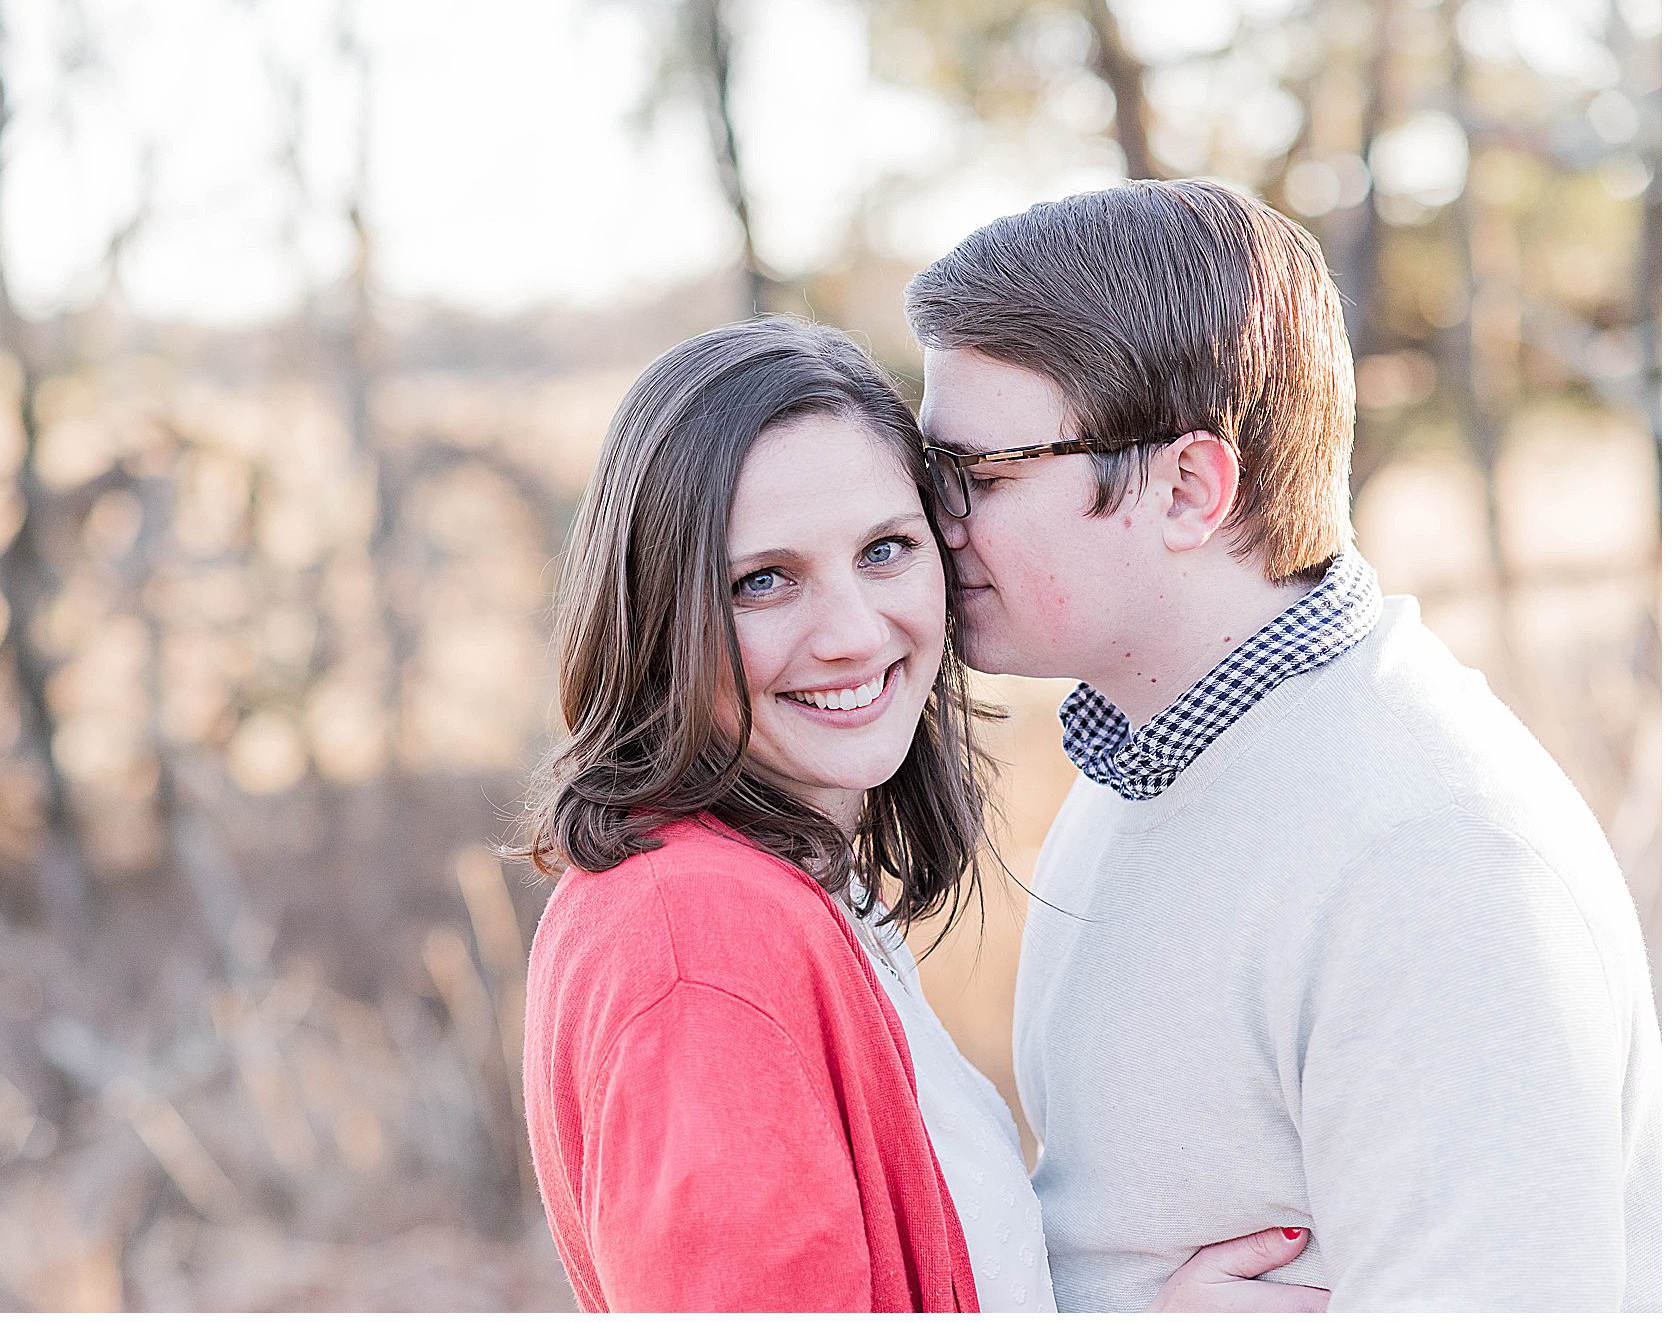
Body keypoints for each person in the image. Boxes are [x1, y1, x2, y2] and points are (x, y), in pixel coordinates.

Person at [905, 179, 1662, 1311]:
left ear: (1185, 487)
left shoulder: (1429, 861)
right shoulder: (1141, 770)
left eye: (980, 478)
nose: (932, 524)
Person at [516, 315, 1326, 1311]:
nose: (853, 634)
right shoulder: (699, 938)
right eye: (762, 582)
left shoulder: (781, 891)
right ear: (658, 610)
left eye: (885, 549)